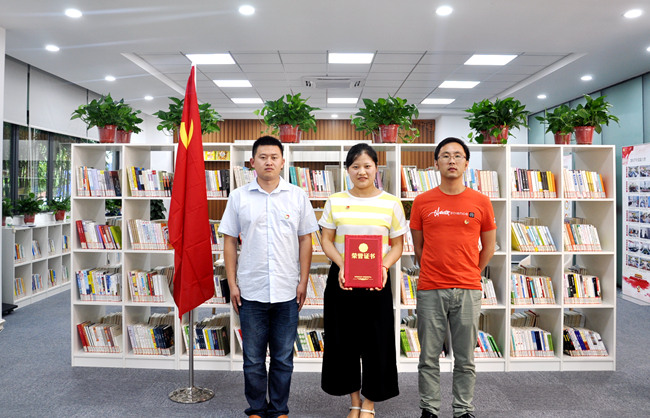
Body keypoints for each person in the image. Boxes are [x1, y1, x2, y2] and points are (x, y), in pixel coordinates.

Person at [218, 135, 318, 418]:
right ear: (253, 162)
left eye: (274, 157)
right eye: (263, 157)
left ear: (283, 161)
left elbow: (306, 240)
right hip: (251, 290)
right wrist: (232, 283)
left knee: (283, 357)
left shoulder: (297, 196)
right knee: (252, 358)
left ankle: (279, 408)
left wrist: (303, 281)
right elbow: (229, 241)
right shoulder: (239, 197)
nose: (269, 162)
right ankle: (256, 408)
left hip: (287, 289)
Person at [319, 143, 408, 418]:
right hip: (342, 277)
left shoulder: (391, 203)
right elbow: (326, 240)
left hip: (377, 279)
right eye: (355, 166)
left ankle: (370, 403)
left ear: (376, 169)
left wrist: (383, 266)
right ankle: (354, 401)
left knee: (377, 342)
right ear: (347, 170)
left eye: (367, 166)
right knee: (343, 341)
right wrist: (342, 264)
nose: (361, 171)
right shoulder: (335, 200)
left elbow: (397, 245)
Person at [410, 137, 497, 418]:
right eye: (445, 155)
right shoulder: (422, 201)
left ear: (466, 163)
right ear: (436, 163)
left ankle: (462, 409)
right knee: (428, 356)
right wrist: (435, 269)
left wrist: (471, 271)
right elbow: (419, 248)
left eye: (458, 155)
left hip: (468, 289)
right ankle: (429, 409)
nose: (451, 160)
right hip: (430, 288)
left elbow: (489, 247)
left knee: (465, 357)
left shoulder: (481, 201)